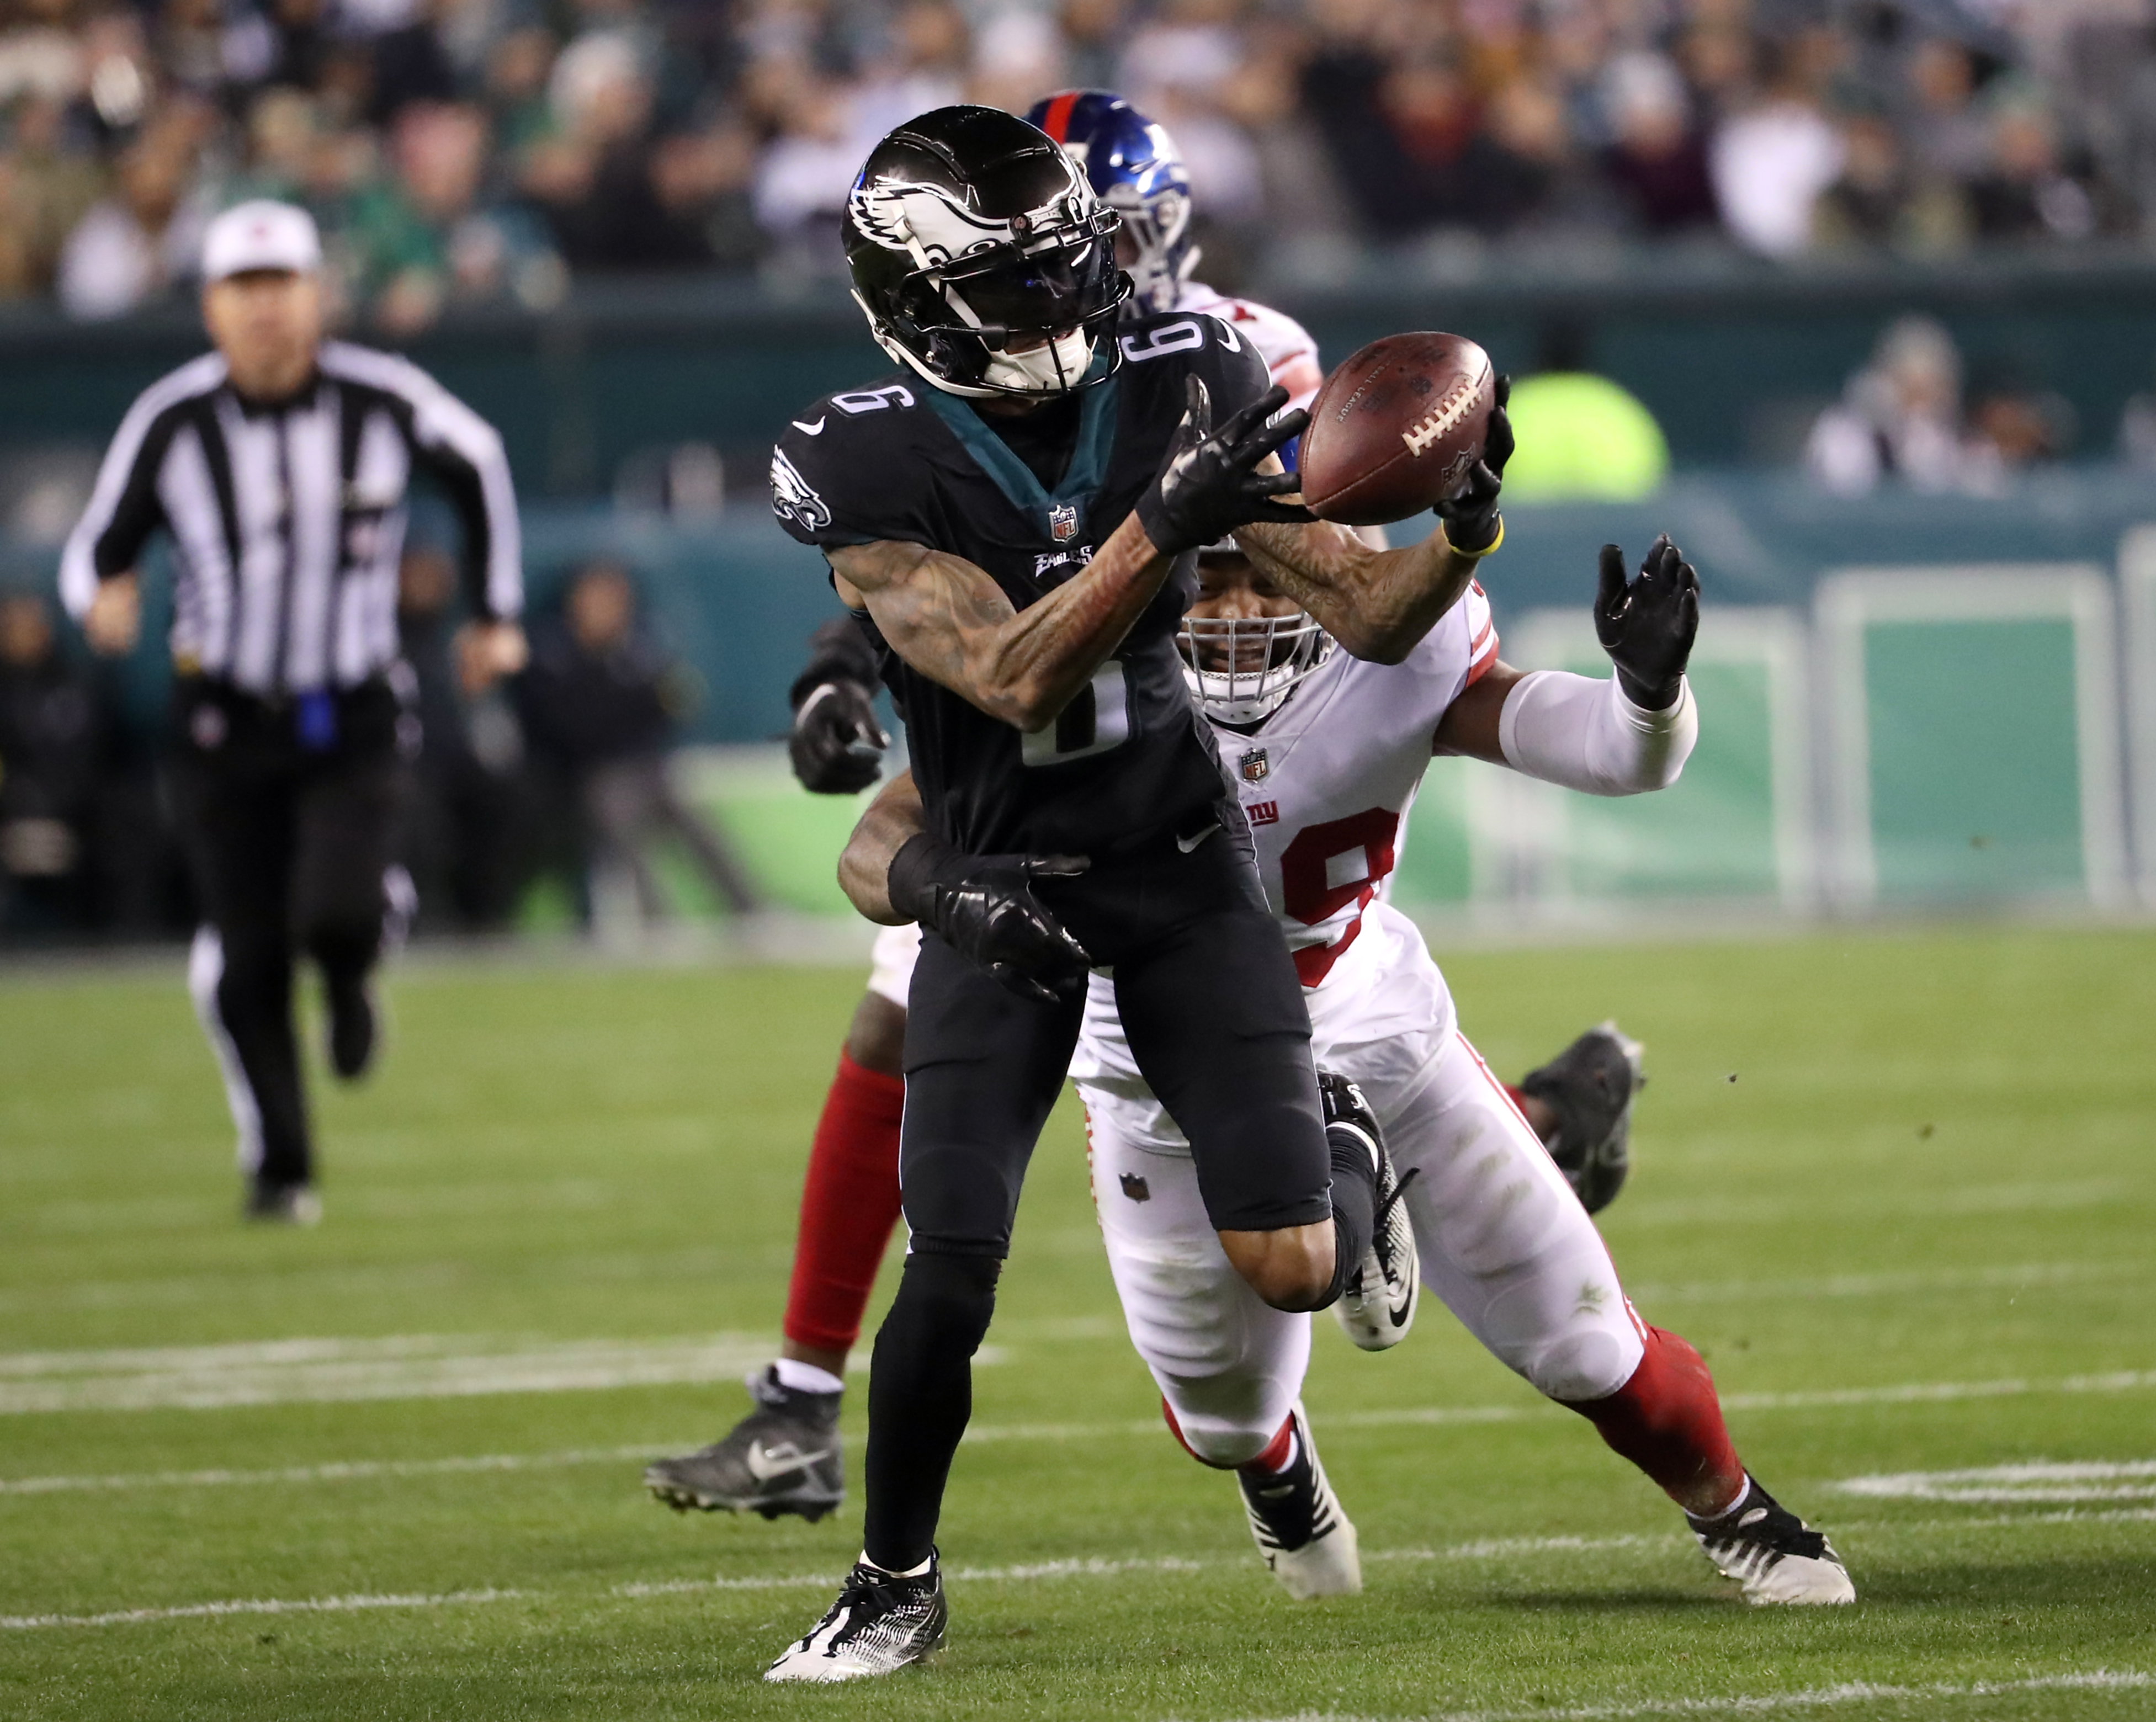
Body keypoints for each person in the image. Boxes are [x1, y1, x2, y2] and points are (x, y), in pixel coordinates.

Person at [645, 91, 1642, 1538]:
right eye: (1031, 252)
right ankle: (806, 1395)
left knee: (1235, 1127)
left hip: (1207, 717)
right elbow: (940, 559)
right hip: (1030, 731)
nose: (1061, 277)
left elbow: (1326, 562)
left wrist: (1439, 535)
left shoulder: (1222, 348)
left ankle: (1454, 1145)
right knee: (905, 1008)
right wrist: (835, 666)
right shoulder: (949, 393)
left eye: (1081, 243)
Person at [839, 533, 1852, 1615]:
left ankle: (1736, 1511)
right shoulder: (1080, 680)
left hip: (1364, 1027)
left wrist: (1649, 691)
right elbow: (878, 839)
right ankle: (1284, 1470)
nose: (1230, 610)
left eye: (1263, 576)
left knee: (1585, 1338)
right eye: (1207, 576)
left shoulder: (1392, 661)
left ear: (1333, 572)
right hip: (1156, 1071)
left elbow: (1618, 754)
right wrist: (945, 893)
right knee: (1225, 1419)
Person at [59, 199, 526, 1223]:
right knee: (247, 952)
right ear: (212, 307)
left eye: (282, 286)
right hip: (222, 719)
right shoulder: (175, 420)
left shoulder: (380, 396)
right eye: (244, 289)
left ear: (318, 295)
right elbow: (96, 545)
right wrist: (101, 593)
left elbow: (479, 460)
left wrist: (495, 613)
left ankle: (356, 969)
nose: (266, 309)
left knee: (335, 912)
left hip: (351, 704)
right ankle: (282, 1165)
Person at [515, 558, 762, 926]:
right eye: (597, 598)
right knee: (616, 815)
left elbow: (671, 707)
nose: (608, 609)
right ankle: (658, 919)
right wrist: (623, 706)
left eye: (616, 599)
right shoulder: (551, 654)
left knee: (693, 822)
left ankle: (750, 911)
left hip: (645, 767)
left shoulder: (639, 650)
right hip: (585, 776)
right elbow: (570, 727)